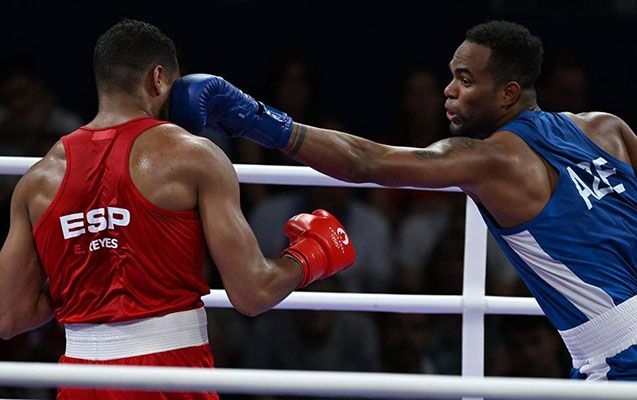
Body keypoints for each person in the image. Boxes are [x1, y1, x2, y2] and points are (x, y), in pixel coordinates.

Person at [171, 20, 637, 381]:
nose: (449, 90)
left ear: (508, 92)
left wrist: (257, 120)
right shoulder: (608, 128)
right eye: (451, 76)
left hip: (618, 358)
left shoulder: (492, 160)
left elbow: (365, 161)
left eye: (466, 79)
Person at [0, 18, 355, 400]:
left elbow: (10, 317)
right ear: (158, 78)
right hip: (171, 372)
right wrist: (312, 253)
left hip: (80, 379)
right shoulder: (192, 157)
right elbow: (253, 292)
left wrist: (84, 266)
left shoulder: (37, 180)